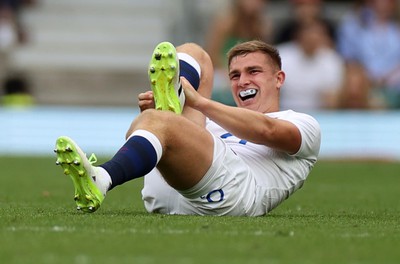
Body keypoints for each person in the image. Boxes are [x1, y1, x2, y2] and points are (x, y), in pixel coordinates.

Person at [54, 40, 321, 216]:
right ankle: (166, 112)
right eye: (235, 75)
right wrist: (156, 121)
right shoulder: (214, 120)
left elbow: (267, 131)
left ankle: (103, 177)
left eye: (254, 71)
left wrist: (198, 103)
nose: (242, 81)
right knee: (195, 53)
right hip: (171, 189)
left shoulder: (304, 123)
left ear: (279, 78)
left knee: (162, 122)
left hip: (232, 196)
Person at [205, 0, 272, 105]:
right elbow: (213, 53)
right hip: (224, 71)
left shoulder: (262, 27)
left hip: (248, 71)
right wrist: (229, 74)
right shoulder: (224, 23)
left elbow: (264, 55)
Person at [336, 0, 400, 108]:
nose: (382, 3)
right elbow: (349, 59)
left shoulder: (396, 27)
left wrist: (387, 78)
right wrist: (368, 78)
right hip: (364, 84)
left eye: (388, 1)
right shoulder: (352, 25)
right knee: (353, 83)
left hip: (395, 85)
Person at [278, 18, 344, 111]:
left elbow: (331, 100)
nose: (312, 39)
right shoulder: (281, 56)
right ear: (298, 36)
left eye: (317, 35)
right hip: (282, 111)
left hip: (319, 115)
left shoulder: (332, 60)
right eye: (308, 34)